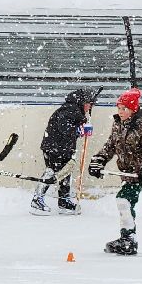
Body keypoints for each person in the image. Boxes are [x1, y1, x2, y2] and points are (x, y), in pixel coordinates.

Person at [88, 88, 142, 255]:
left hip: (138, 174)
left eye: (124, 109)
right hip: (126, 174)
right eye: (119, 108)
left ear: (133, 110)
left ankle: (129, 239)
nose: (120, 112)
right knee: (127, 204)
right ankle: (127, 238)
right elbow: (110, 146)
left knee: (123, 200)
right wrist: (99, 160)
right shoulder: (118, 125)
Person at [31, 87, 101, 215]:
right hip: (54, 148)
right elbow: (64, 128)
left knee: (65, 174)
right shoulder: (69, 109)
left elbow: (71, 130)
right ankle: (37, 200)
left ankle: (64, 202)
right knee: (51, 171)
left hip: (63, 149)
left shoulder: (75, 110)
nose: (90, 107)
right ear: (83, 102)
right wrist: (81, 130)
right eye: (89, 104)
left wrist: (82, 127)